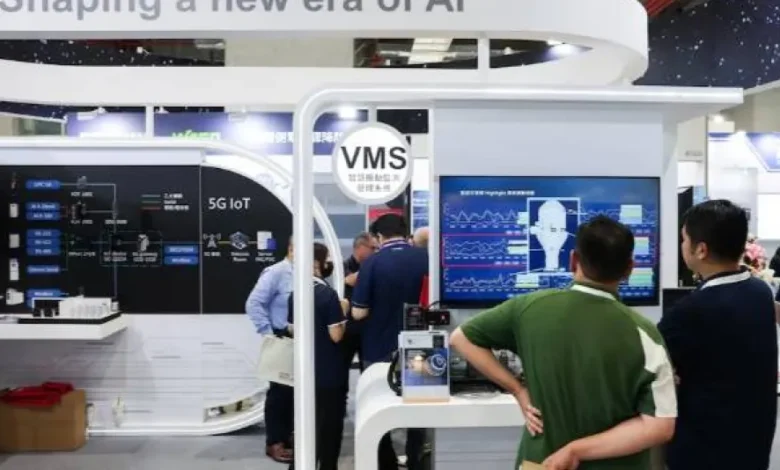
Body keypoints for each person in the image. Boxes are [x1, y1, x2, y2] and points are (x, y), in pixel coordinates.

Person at [450, 215, 677, 469]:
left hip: (540, 462)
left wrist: (518, 390)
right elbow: (660, 427)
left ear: (573, 260)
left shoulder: (529, 309)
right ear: (629, 269)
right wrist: (576, 451)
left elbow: (461, 338)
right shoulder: (645, 334)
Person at [658, 200, 778, 470]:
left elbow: (650, 370)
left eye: (684, 239)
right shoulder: (759, 292)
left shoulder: (690, 312)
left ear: (701, 250)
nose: (682, 245)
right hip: (753, 447)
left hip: (703, 451)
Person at [351, 214, 428, 470]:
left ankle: (387, 462)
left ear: (378, 237)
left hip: (379, 347)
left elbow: (359, 312)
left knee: (376, 408)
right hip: (421, 346)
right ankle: (417, 459)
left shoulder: (372, 263)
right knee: (421, 406)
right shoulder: (426, 258)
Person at [288, 242, 348, 470]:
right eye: (328, 258)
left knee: (307, 424)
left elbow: (293, 331)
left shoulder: (295, 294)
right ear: (317, 263)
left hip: (305, 371)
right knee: (330, 425)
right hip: (329, 372)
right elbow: (336, 335)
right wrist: (343, 311)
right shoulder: (327, 295)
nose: (330, 262)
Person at [246, 238, 294, 464]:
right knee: (279, 393)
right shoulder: (276, 272)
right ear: (292, 248)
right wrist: (269, 332)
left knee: (293, 393)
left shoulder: (302, 273)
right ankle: (274, 442)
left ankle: (288, 436)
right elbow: (254, 303)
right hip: (282, 339)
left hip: (300, 341)